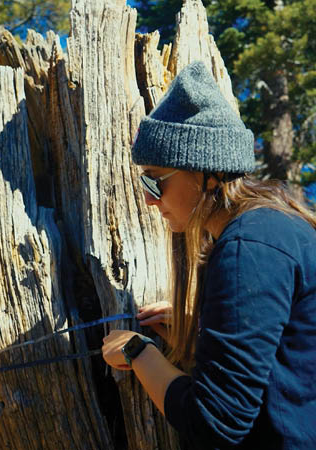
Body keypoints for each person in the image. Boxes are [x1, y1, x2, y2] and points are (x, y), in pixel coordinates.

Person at [102, 61, 316, 449]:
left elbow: (216, 420)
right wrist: (205, 328)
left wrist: (138, 351)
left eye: (155, 179)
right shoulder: (273, 230)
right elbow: (286, 359)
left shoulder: (249, 247)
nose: (148, 199)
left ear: (207, 173)